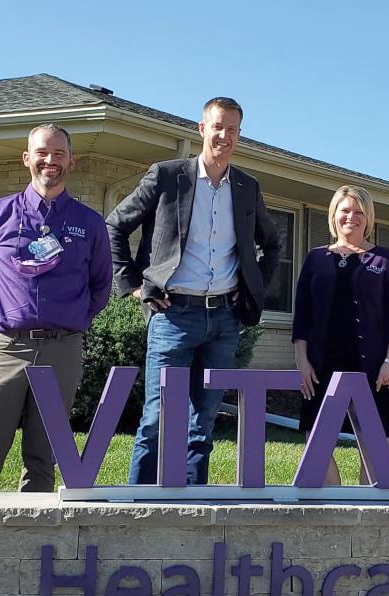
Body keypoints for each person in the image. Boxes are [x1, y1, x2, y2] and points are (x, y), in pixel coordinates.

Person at [106, 97, 280, 486]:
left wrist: (252, 288)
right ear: (202, 129)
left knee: (202, 425)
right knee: (157, 418)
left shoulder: (247, 187)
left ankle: (194, 507)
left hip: (223, 320)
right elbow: (114, 226)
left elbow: (272, 244)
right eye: (218, 127)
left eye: (232, 130)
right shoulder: (167, 176)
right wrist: (134, 285)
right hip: (173, 314)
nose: (225, 136)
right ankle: (138, 509)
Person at [0, 123, 112, 492]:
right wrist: (8, 318)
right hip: (6, 347)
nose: (50, 161)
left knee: (43, 458)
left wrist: (70, 325)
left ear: (71, 161)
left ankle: (34, 545)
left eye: (59, 153)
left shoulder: (88, 223)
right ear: (27, 158)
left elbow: (100, 287)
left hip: (62, 349)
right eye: (42, 152)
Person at [292, 185, 389, 485]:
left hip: (371, 367)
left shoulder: (384, 260)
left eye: (359, 212)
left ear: (368, 218)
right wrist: (301, 361)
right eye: (345, 211)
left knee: (374, 442)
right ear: (333, 215)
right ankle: (335, 500)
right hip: (320, 365)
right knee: (315, 441)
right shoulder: (316, 258)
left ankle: (369, 508)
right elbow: (302, 315)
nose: (351, 217)